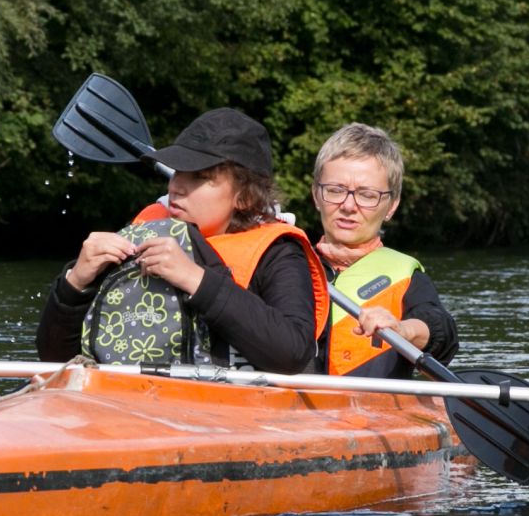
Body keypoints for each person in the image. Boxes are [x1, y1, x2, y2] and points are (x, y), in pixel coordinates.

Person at [36, 108, 328, 372]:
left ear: (245, 196)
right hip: (133, 401)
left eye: (199, 177)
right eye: (178, 171)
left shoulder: (278, 253)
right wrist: (74, 285)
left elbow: (292, 353)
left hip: (230, 407)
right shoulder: (141, 235)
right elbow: (55, 358)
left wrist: (195, 279)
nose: (176, 186)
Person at [311, 122, 459, 379]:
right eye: (335, 191)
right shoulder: (287, 263)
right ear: (316, 195)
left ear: (391, 206)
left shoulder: (405, 275)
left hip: (373, 403)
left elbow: (441, 331)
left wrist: (402, 330)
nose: (348, 206)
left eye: (367, 195)